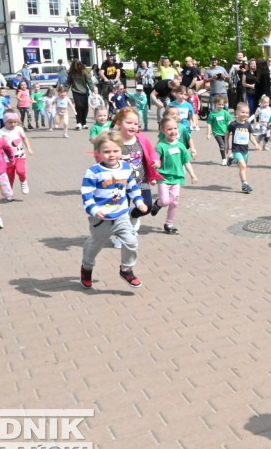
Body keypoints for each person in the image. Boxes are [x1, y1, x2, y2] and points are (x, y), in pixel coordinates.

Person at [80, 130, 148, 289]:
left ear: (121, 150)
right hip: (101, 218)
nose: (111, 155)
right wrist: (93, 209)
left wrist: (139, 201)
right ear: (99, 153)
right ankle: (86, 267)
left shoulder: (125, 167)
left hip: (121, 215)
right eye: (107, 151)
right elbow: (86, 193)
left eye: (115, 151)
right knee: (95, 244)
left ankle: (126, 269)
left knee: (131, 242)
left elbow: (132, 186)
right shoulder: (94, 172)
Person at [151, 117, 198, 235]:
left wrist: (193, 175)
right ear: (163, 130)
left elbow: (186, 162)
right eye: (169, 129)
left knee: (174, 203)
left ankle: (169, 224)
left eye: (175, 128)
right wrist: (153, 174)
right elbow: (154, 162)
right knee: (165, 201)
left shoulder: (181, 146)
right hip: (164, 179)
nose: (173, 131)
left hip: (177, 179)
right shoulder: (161, 146)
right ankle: (158, 203)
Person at [0, 112, 34, 197]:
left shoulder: (19, 129)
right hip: (7, 159)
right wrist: (3, 141)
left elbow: (25, 139)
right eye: (10, 122)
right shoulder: (1, 132)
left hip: (19, 155)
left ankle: (23, 182)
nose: (13, 124)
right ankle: (9, 194)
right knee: (10, 177)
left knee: (21, 171)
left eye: (15, 122)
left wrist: (29, 148)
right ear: (5, 122)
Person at [228, 103, 260, 193]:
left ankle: (232, 160)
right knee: (242, 166)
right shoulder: (233, 124)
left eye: (247, 113)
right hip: (236, 149)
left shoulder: (248, 125)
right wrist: (226, 144)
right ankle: (244, 184)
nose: (245, 114)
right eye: (243, 112)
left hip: (245, 150)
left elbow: (251, 136)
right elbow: (227, 133)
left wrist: (256, 144)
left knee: (244, 167)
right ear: (237, 112)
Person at [206, 95, 233, 165]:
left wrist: (231, 129)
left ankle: (229, 157)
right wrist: (209, 134)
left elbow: (230, 121)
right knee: (222, 145)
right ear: (215, 103)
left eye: (222, 105)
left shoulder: (225, 113)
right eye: (219, 104)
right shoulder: (212, 114)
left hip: (225, 132)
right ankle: (224, 159)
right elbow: (209, 124)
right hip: (217, 133)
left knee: (226, 145)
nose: (221, 106)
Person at [68, 61, 94, 129]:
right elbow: (68, 83)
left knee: (85, 107)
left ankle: (84, 122)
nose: (77, 67)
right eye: (75, 66)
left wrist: (93, 90)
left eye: (78, 66)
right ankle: (79, 122)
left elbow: (90, 82)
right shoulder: (72, 73)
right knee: (78, 106)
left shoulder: (84, 72)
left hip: (84, 92)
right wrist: (64, 91)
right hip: (76, 91)